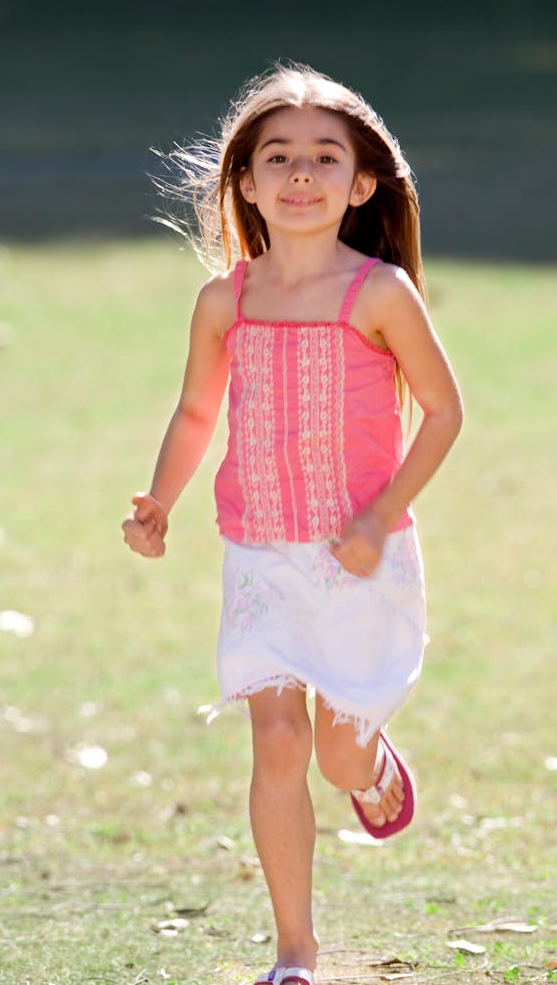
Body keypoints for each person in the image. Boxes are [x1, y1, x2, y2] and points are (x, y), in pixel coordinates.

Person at [122, 63, 463, 985]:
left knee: (338, 758)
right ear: (245, 181)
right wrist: (161, 499)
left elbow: (442, 412)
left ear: (361, 185)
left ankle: (372, 765)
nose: (300, 174)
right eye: (278, 157)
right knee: (277, 739)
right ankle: (295, 951)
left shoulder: (381, 292)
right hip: (260, 553)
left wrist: (383, 515)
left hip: (360, 558)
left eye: (324, 157)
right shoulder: (225, 300)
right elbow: (197, 414)